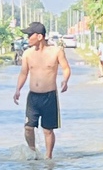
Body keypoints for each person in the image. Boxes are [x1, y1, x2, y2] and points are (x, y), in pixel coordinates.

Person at [15, 20, 70, 157]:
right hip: (33, 97)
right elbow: (24, 73)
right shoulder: (27, 53)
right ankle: (33, 152)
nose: (28, 38)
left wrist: (65, 80)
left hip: (49, 96)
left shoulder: (56, 51)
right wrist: (18, 90)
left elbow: (66, 68)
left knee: (48, 130)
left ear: (39, 36)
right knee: (28, 128)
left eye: (30, 35)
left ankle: (48, 156)